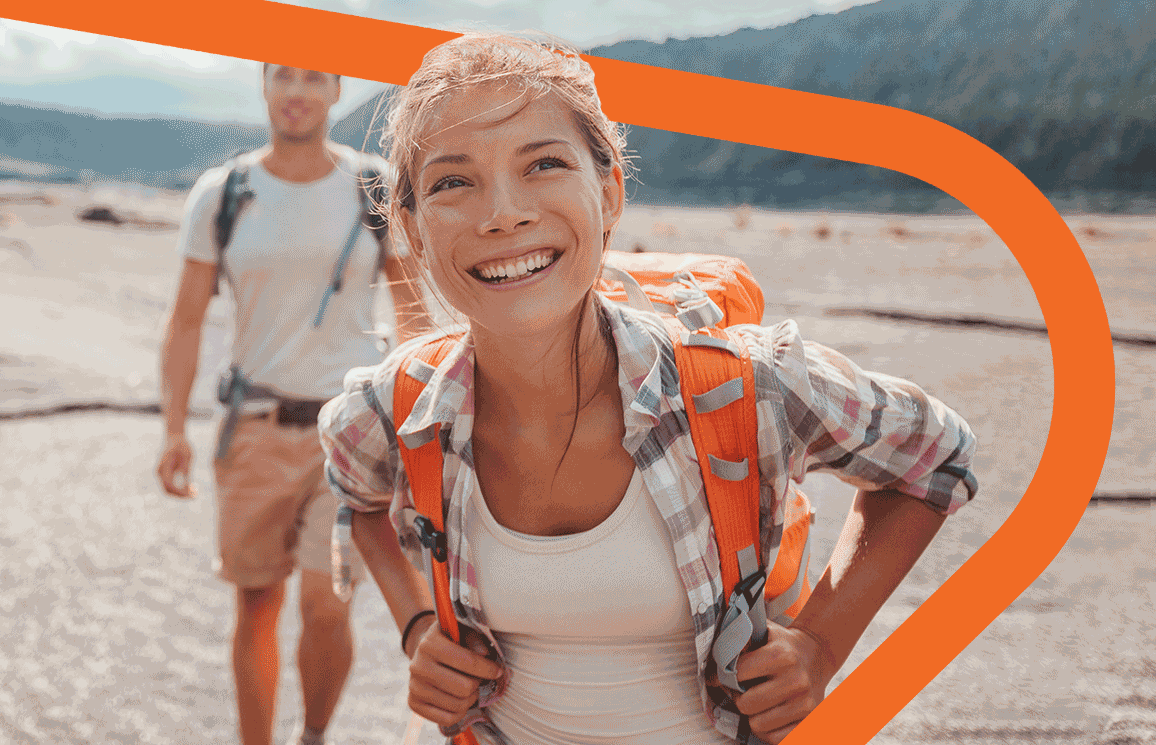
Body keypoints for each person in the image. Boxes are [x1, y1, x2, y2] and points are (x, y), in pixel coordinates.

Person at [318, 33, 979, 744]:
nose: (502, 214)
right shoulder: (396, 405)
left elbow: (934, 455)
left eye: (543, 164)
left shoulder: (743, 385)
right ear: (412, 230)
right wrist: (417, 627)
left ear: (609, 192)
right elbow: (353, 489)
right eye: (453, 181)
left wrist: (821, 646)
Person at [157, 63, 428, 745]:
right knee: (256, 604)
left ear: (337, 89)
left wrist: (422, 417)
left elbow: (412, 307)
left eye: (314, 77)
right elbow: (186, 320)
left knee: (326, 603)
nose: (298, 92)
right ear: (265, 86)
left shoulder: (373, 185)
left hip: (351, 435)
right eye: (284, 76)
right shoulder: (224, 194)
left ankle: (311, 734)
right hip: (252, 428)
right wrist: (172, 429)